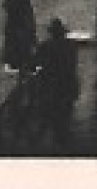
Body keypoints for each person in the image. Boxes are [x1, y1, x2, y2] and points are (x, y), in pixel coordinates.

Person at [33, 17, 81, 146]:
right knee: (64, 117)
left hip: (52, 87)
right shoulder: (71, 46)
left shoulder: (46, 46)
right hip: (69, 86)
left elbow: (36, 62)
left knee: (49, 115)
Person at [1, 0, 37, 72]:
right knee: (24, 48)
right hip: (21, 25)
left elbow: (5, 8)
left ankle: (15, 62)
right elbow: (29, 13)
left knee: (13, 46)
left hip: (12, 26)